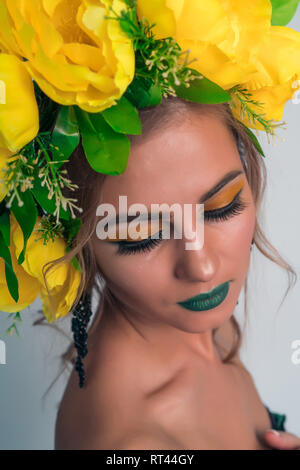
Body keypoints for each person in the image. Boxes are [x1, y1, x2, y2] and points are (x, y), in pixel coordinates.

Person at [53, 97, 297, 450]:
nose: (202, 268)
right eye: (141, 237)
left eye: (220, 207)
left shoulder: (202, 325)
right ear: (77, 241)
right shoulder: (132, 443)